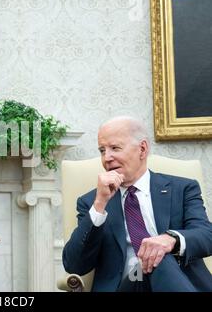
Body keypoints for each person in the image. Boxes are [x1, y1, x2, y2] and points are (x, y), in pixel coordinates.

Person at [62, 116, 212, 292]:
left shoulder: (182, 188)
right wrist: (99, 204)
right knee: (155, 255)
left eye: (115, 148)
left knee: (157, 252)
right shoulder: (91, 202)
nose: (106, 158)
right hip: (127, 285)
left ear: (142, 149)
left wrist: (169, 240)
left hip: (177, 281)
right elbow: (74, 265)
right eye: (102, 150)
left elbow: (206, 236)